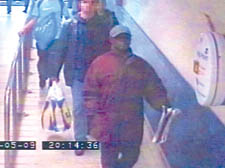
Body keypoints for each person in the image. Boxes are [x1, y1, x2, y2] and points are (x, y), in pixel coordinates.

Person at [83, 25, 172, 168]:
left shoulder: (140, 65)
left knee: (131, 157)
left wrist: (162, 103)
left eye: (126, 38)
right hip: (108, 125)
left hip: (132, 124)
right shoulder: (100, 64)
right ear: (111, 40)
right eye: (119, 38)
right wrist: (94, 120)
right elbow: (90, 94)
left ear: (130, 40)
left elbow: (153, 88)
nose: (123, 41)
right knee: (108, 161)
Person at [54, 0, 118, 156]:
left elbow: (113, 48)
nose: (87, 6)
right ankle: (80, 139)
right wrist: (53, 73)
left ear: (96, 5)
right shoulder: (70, 25)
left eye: (90, 3)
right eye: (84, 2)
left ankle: (99, 134)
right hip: (78, 74)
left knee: (99, 107)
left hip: (99, 75)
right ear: (79, 4)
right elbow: (60, 49)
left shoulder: (105, 24)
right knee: (79, 108)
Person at [19, 0, 70, 88]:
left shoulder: (60, 3)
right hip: (42, 37)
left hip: (57, 37)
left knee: (55, 59)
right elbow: (34, 18)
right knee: (43, 58)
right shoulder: (39, 2)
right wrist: (25, 29)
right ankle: (42, 77)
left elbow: (67, 18)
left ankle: (53, 79)